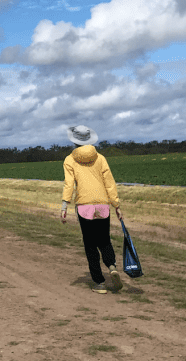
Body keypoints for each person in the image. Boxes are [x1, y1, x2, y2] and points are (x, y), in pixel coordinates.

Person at [60, 125, 125, 294]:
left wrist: (64, 205)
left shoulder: (69, 160)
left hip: (84, 207)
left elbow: (69, 184)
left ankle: (99, 283)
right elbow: (109, 183)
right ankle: (111, 266)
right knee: (104, 240)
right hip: (103, 204)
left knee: (90, 245)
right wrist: (116, 205)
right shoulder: (100, 158)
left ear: (74, 141)